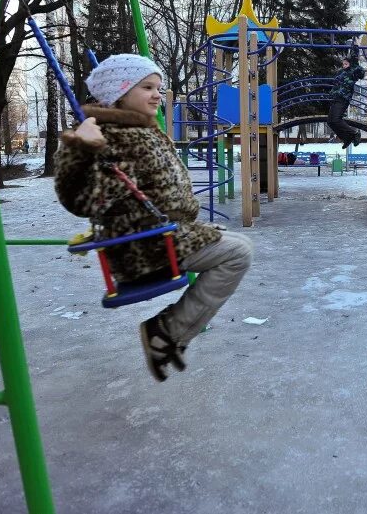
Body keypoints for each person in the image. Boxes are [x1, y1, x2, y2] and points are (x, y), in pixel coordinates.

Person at [54, 54, 253, 382]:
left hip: (165, 234)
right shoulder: (106, 134)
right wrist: (83, 149)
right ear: (119, 94)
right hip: (145, 246)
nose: (157, 95)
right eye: (147, 87)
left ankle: (168, 331)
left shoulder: (138, 128)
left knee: (240, 246)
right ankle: (166, 332)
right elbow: (81, 200)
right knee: (238, 253)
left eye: (158, 88)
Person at [327, 45, 366, 149]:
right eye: (343, 64)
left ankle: (354, 133)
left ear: (350, 64)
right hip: (336, 98)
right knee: (330, 122)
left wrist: (355, 47)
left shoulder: (353, 71)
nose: (344, 65)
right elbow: (335, 85)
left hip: (343, 98)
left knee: (336, 119)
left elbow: (355, 63)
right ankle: (346, 138)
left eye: (346, 64)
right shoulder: (342, 73)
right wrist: (331, 94)